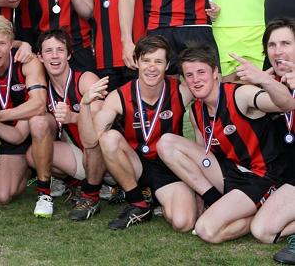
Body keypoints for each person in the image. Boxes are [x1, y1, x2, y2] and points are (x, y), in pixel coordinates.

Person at [158, 44, 295, 243]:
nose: (196, 80)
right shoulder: (197, 111)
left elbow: (287, 104)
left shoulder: (241, 95)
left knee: (206, 230)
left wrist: (263, 80)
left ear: (215, 73)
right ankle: (215, 200)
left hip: (261, 177)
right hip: (230, 172)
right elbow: (202, 159)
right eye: (189, 75)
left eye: (201, 72)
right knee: (167, 143)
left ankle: (258, 214)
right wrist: (201, 200)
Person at [80, 36, 196, 231]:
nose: (152, 67)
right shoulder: (119, 96)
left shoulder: (182, 91)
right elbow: (90, 141)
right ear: (136, 62)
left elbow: (212, 88)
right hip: (135, 165)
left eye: (158, 61)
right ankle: (139, 204)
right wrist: (84, 104)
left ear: (167, 65)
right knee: (109, 139)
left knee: (182, 223)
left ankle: (158, 198)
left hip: (168, 166)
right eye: (146, 60)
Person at [32, 29, 107, 221]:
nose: (55, 56)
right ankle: (78, 184)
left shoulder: (85, 79)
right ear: (40, 57)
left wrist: (73, 117)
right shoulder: (44, 87)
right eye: (48, 51)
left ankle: (104, 183)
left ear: (69, 54)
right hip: (80, 155)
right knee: (32, 156)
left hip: (104, 155)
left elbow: (103, 120)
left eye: (60, 50)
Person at [0, 16, 46, 205]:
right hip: (12, 131)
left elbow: (39, 104)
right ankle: (29, 168)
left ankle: (47, 176)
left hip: (39, 126)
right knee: (1, 197)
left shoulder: (27, 61)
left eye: (2, 43)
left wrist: (0, 115)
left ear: (11, 44)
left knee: (37, 122)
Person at [250, 18, 295, 263]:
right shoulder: (268, 86)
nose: (278, 51)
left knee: (263, 229)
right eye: (272, 45)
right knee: (261, 230)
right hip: (285, 177)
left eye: (286, 43)